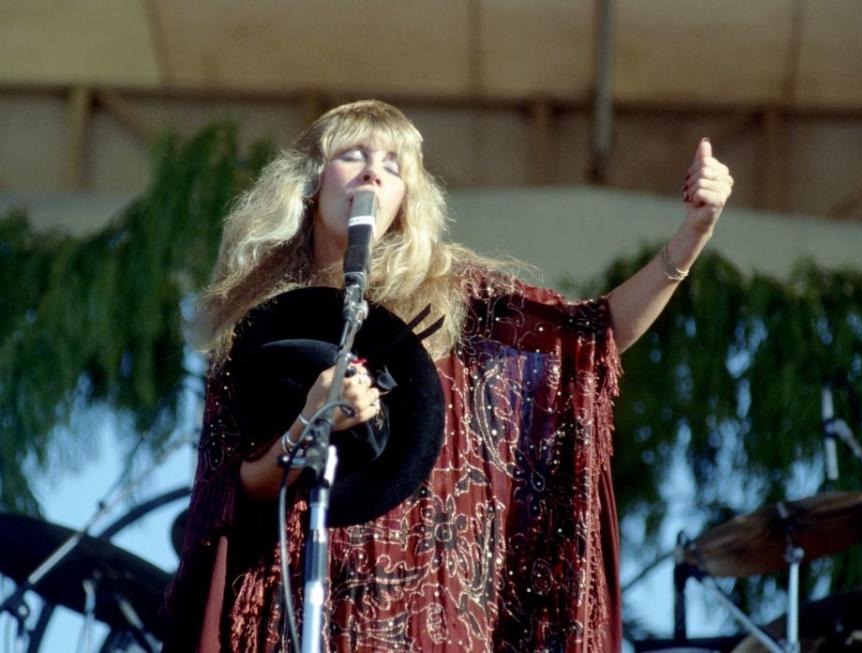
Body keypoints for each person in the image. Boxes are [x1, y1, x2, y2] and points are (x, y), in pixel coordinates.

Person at [162, 99, 734, 652]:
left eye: (393, 165)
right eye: (353, 154)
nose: (373, 173)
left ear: (407, 198)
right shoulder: (253, 320)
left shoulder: (458, 296)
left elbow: (594, 335)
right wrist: (307, 424)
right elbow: (233, 490)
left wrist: (693, 235)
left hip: (426, 613)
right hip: (297, 608)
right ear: (311, 181)